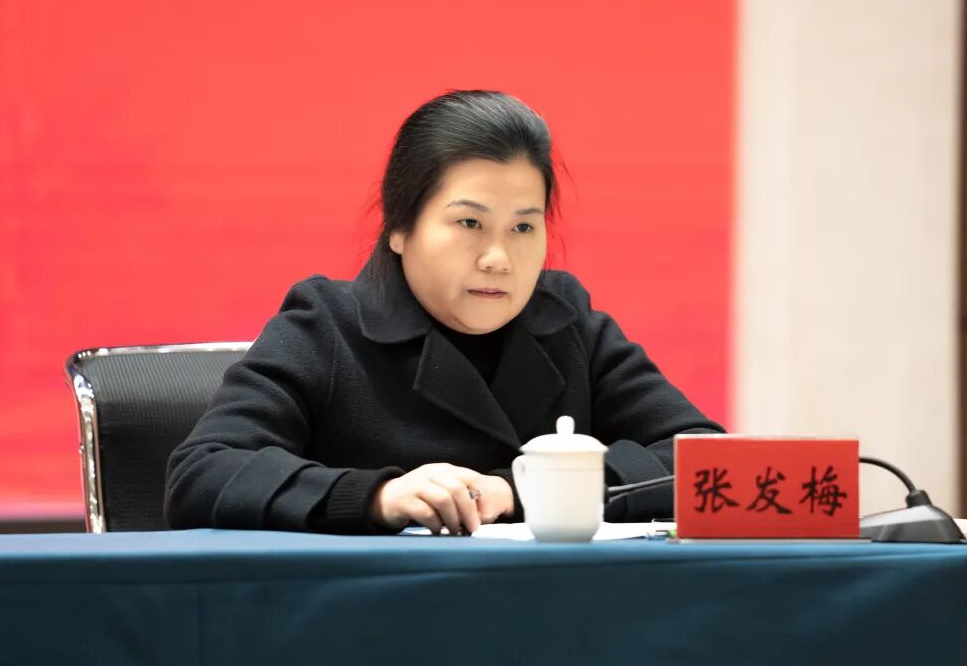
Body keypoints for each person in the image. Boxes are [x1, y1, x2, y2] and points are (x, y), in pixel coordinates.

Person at [164, 90, 723, 536]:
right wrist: (377, 497)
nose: (498, 258)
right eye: (469, 223)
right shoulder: (326, 324)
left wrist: (523, 489)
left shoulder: (567, 321)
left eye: (523, 227)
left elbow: (705, 463)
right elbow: (202, 472)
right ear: (400, 227)